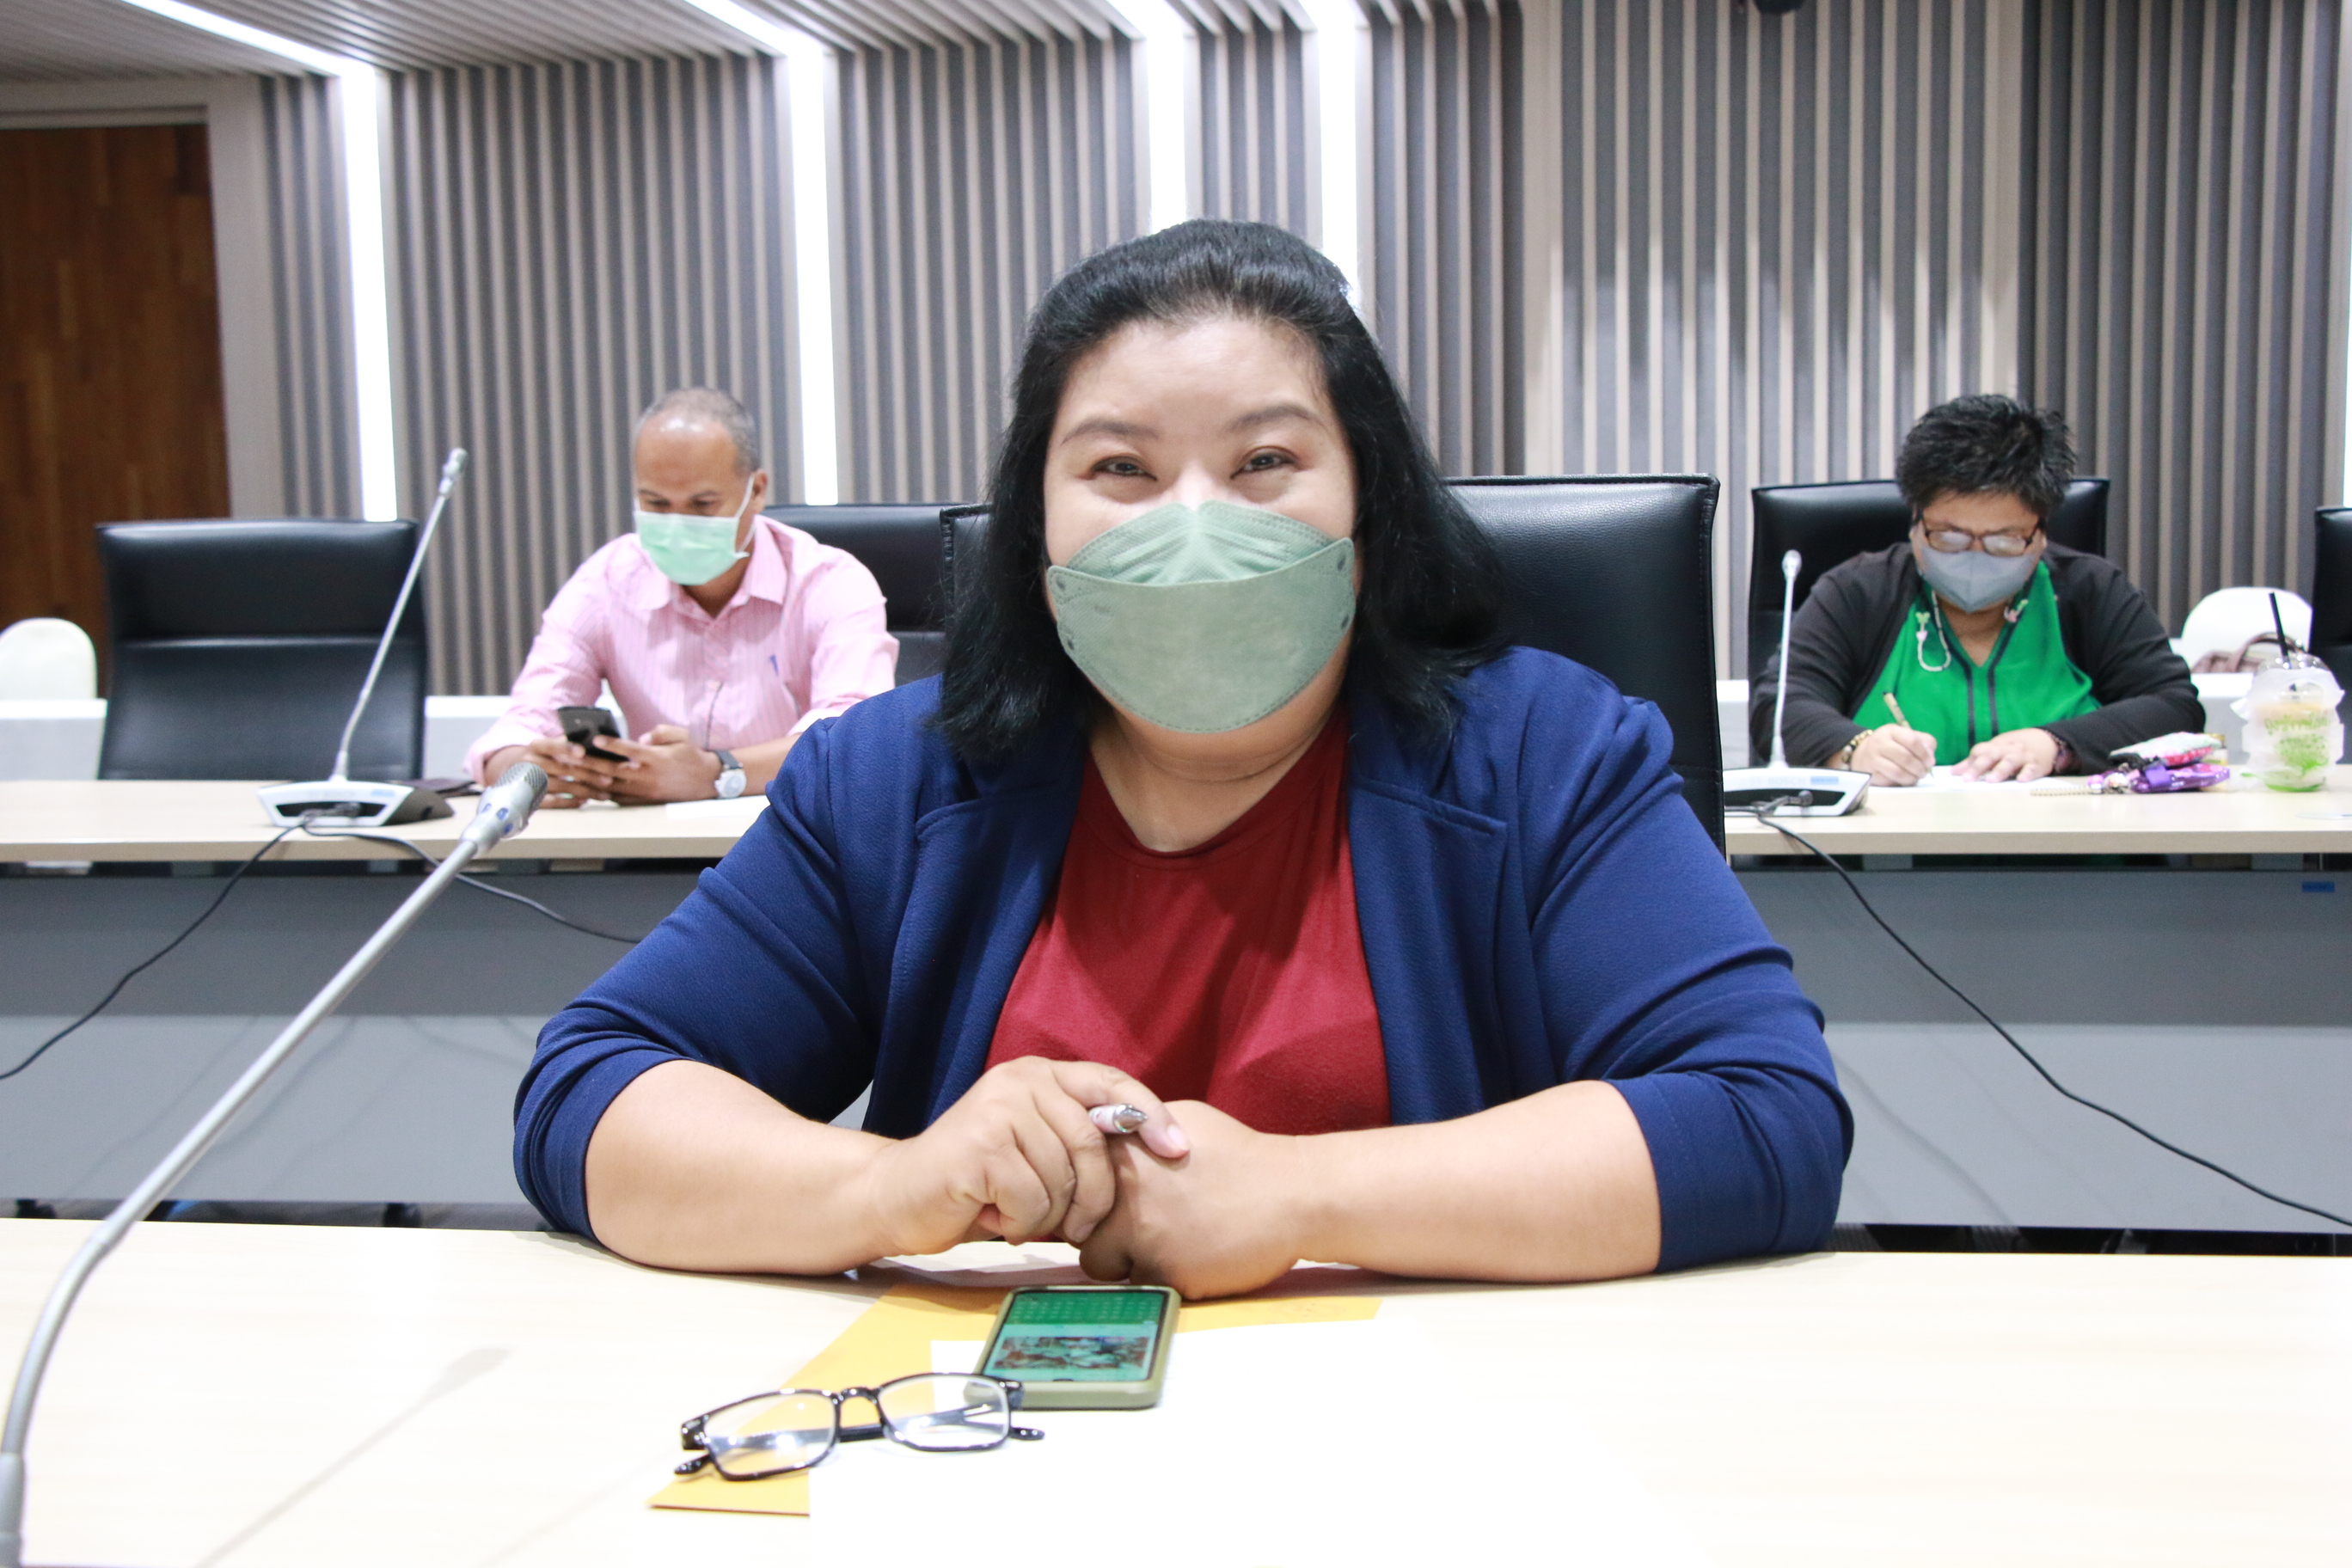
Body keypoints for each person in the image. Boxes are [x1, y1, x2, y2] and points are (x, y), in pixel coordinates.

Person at [516, 220, 1848, 1299]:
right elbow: (593, 1090)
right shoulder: (892, 780)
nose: (1195, 524)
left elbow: (1763, 1116)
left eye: (1266, 459)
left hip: (1438, 1441)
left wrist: (1301, 1196)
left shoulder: (1547, 754)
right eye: (1121, 469)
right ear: (1035, 526)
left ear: (1367, 502)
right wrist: (889, 1185)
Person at [466, 388, 897, 805]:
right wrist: (529, 767)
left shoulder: (831, 582)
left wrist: (716, 773)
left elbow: (854, 741)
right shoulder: (606, 581)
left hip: (798, 832)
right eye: (656, 504)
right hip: (650, 841)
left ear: (757, 490)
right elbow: (521, 725)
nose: (677, 525)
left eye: (703, 504)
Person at [1755, 395, 2202, 785]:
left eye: (2004, 541)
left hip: (2069, 845)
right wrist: (1855, 748)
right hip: (1887, 846)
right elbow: (1779, 705)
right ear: (1915, 522)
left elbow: (2174, 706)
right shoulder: (1859, 591)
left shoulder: (2091, 590)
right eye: (1949, 537)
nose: (1974, 557)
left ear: (2041, 533)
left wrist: (2058, 745)